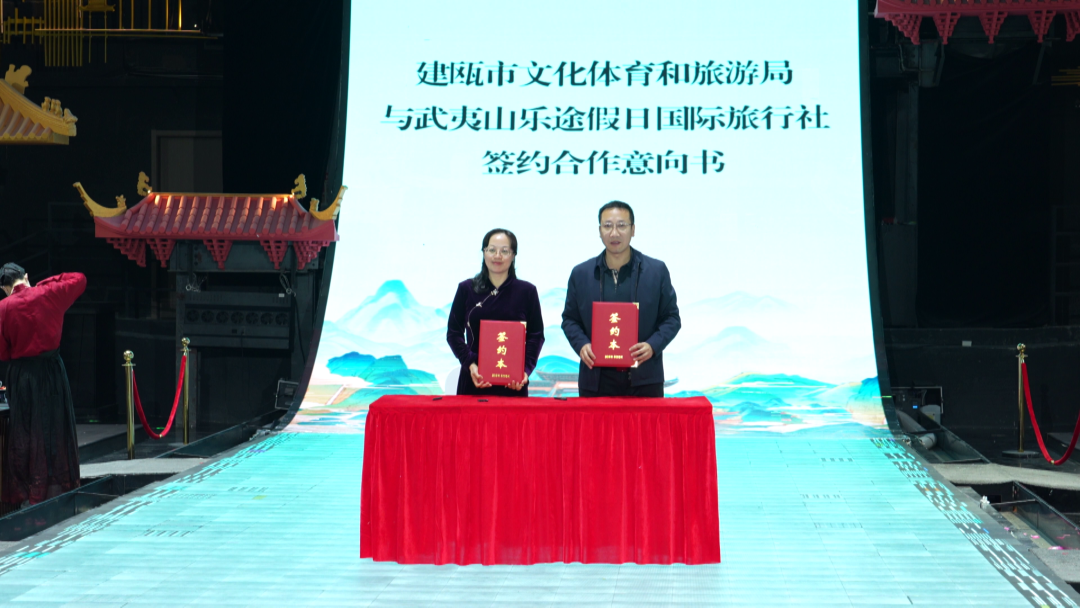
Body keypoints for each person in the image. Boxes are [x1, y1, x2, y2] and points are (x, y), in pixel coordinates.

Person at [562, 201, 681, 397]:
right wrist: (582, 344)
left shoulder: (656, 271)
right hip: (596, 380)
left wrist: (652, 346)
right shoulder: (581, 274)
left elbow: (672, 319)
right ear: (599, 231)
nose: (614, 233)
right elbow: (570, 320)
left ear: (633, 230)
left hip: (645, 378)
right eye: (607, 226)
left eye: (622, 226)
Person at [0, 263, 86, 508]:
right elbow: (79, 278)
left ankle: (27, 492)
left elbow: (3, 353)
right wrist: (45, 283)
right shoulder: (48, 292)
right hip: (51, 372)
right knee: (54, 428)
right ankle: (56, 490)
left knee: (24, 432)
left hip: (22, 376)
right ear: (25, 276)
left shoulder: (4, 307)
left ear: (4, 288)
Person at [447, 229, 545, 396]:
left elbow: (536, 336)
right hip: (474, 379)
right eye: (492, 250)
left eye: (504, 251)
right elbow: (454, 333)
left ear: (513, 255)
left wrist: (525, 371)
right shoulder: (466, 289)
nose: (497, 256)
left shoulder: (527, 291)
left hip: (514, 384)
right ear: (484, 252)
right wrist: (470, 364)